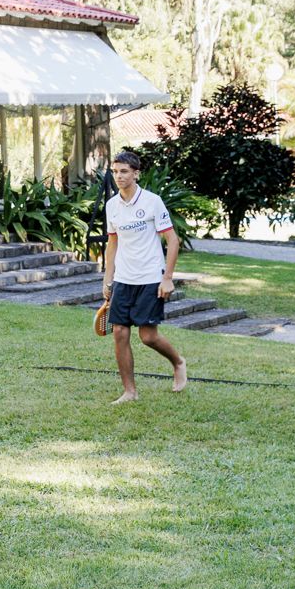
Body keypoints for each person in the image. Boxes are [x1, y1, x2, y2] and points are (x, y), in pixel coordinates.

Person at [102, 150, 186, 404]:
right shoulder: (112, 206)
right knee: (119, 332)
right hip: (124, 279)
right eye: (115, 171)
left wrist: (167, 277)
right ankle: (130, 391)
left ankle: (178, 362)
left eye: (124, 171)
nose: (119, 176)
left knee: (148, 336)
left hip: (150, 276)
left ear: (136, 173)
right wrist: (108, 279)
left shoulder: (152, 201)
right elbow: (112, 244)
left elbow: (172, 240)